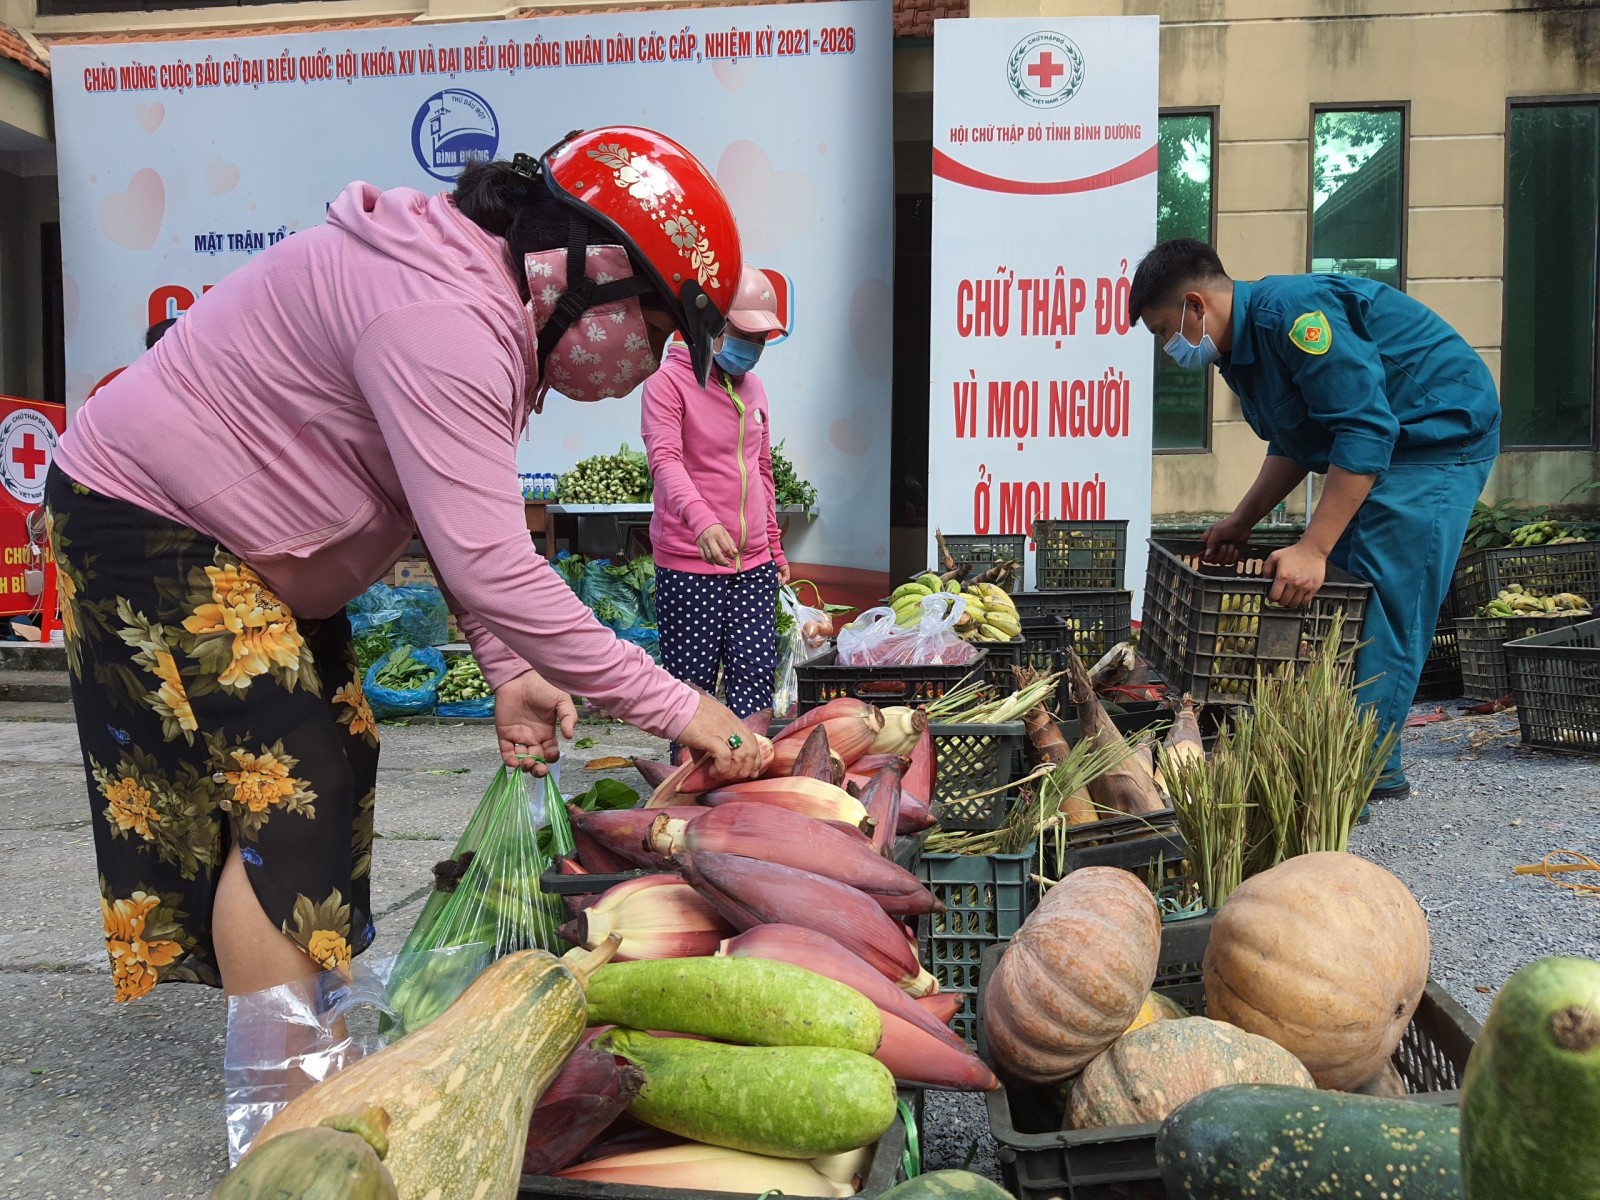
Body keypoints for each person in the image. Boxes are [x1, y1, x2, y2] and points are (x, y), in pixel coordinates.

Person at [47, 126, 765, 1009]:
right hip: (150, 517)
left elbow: (452, 520)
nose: (646, 360)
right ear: (588, 261)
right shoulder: (443, 315)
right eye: (652, 327)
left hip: (242, 539)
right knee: (292, 791)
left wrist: (508, 672)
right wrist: (681, 705)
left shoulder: (477, 300)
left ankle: (304, 1026)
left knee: (337, 754)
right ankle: (284, 1103)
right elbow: (494, 565)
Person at [1128, 238, 1500, 804]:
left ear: (1196, 306)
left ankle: (1365, 770)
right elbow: (1297, 441)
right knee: (1339, 597)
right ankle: (1331, 747)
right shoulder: (1239, 353)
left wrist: (1313, 547)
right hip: (1382, 442)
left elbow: (1366, 429)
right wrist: (1241, 521)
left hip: (1436, 434)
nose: (1167, 347)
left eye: (1162, 330)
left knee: (1378, 593)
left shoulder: (1297, 316)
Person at [643, 265, 789, 733]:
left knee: (755, 677)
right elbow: (665, 460)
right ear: (711, 323)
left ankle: (746, 787)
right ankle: (689, 786)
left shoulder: (757, 389)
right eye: (746, 334)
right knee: (692, 690)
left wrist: (773, 546)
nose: (756, 348)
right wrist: (703, 522)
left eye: (763, 338)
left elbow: (761, 472)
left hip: (754, 565)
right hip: (689, 563)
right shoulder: (667, 383)